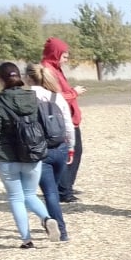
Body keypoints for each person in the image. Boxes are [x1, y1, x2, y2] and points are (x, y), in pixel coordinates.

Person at [0, 62, 59, 247]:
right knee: (30, 193)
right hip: (32, 155)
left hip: (7, 158)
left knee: (16, 197)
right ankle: (46, 219)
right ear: (19, 76)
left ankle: (26, 240)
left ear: (0, 79)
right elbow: (42, 125)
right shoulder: (32, 97)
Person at [24, 63, 74, 241]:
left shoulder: (28, 97)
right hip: (60, 148)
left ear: (28, 78)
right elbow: (68, 124)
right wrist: (71, 147)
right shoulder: (57, 97)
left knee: (50, 192)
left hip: (41, 151)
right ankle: (51, 221)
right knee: (53, 190)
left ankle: (60, 230)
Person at [41, 37, 86, 202]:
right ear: (55, 53)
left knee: (74, 151)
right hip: (59, 119)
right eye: (64, 56)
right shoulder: (47, 70)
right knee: (69, 152)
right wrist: (74, 93)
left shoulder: (55, 68)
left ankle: (65, 187)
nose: (66, 60)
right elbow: (53, 96)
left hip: (68, 116)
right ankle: (63, 190)